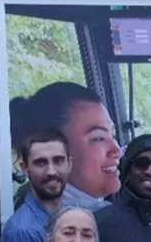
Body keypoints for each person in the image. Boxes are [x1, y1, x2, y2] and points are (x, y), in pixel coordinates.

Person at [9, 82, 123, 212]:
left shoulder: (27, 202)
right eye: (98, 138)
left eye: (113, 136)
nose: (117, 151)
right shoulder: (100, 225)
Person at [0, 128, 72, 242]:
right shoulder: (24, 232)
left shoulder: (70, 217)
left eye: (58, 160)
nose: (51, 171)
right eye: (41, 163)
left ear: (69, 164)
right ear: (25, 168)